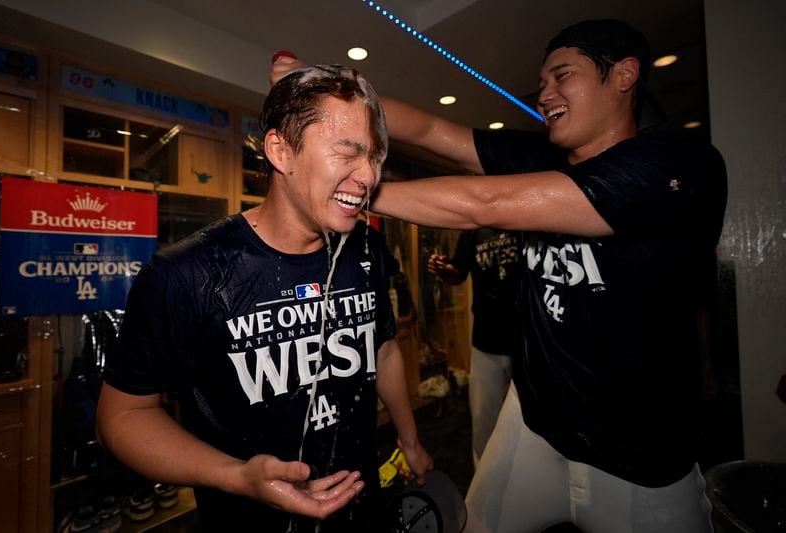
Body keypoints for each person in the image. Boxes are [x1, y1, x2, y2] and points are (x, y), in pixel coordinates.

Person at [272, 17, 726, 533]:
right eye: (542, 82)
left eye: (562, 75)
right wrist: (316, 88)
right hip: (536, 420)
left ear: (623, 75)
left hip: (639, 453)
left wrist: (341, 191)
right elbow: (426, 130)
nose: (544, 92)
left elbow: (484, 203)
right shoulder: (544, 153)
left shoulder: (680, 164)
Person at [96, 64, 432, 532]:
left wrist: (409, 437)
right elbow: (123, 417)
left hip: (360, 506)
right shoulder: (185, 274)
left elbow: (383, 347)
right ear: (280, 150)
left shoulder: (368, 249)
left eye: (374, 158)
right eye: (348, 152)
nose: (368, 176)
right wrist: (237, 477)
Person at [426, 229, 518, 467]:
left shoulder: (523, 216)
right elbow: (459, 272)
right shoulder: (474, 226)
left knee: (532, 423)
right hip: (485, 339)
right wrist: (446, 271)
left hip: (527, 340)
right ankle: (483, 488)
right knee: (483, 421)